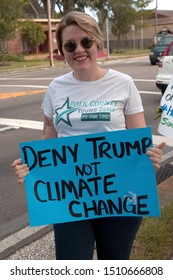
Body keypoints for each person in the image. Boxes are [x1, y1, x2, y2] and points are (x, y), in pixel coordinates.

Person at [12, 11, 165, 260]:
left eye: (86, 42)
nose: (79, 50)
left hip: (120, 193)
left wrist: (150, 156)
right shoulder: (55, 89)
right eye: (70, 45)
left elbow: (138, 139)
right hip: (69, 195)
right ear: (62, 51)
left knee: (114, 263)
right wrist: (31, 164)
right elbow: (49, 138)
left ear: (97, 42)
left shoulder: (123, 83)